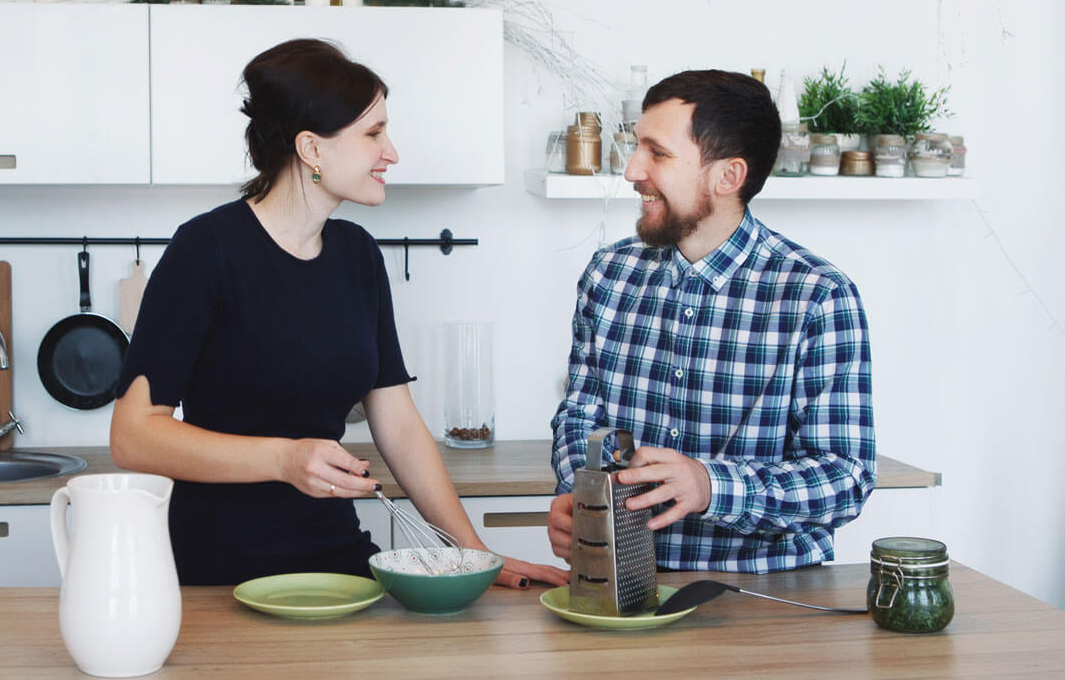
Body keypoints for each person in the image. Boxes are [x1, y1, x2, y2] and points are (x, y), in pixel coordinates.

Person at [110, 38, 566, 589]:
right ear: (312, 148)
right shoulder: (206, 252)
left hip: (339, 564)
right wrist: (284, 460)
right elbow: (134, 436)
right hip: (218, 573)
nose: (391, 153)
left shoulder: (358, 256)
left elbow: (396, 422)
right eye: (373, 134)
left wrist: (471, 552)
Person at [547, 70, 875, 573]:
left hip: (769, 599)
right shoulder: (608, 275)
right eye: (637, 147)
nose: (633, 170)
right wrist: (581, 492)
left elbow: (844, 478)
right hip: (622, 585)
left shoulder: (818, 297)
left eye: (657, 153)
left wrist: (710, 486)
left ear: (727, 177)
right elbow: (579, 417)